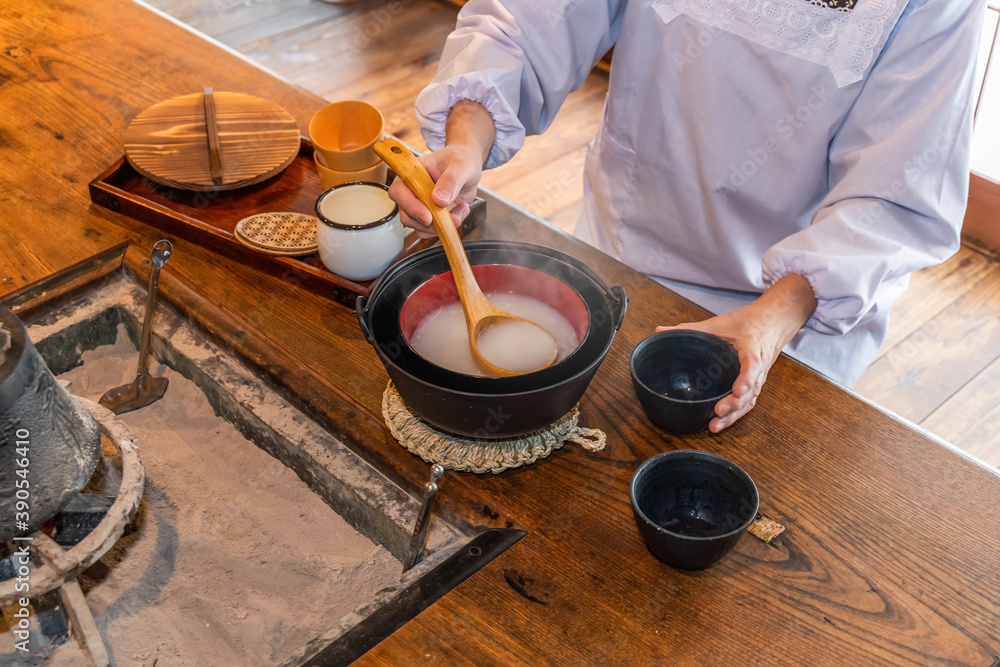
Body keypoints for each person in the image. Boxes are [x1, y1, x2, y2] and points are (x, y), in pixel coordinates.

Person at [387, 0, 985, 432]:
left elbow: (893, 195)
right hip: (619, 261)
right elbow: (524, 23)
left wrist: (768, 323)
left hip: (794, 319)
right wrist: (466, 140)